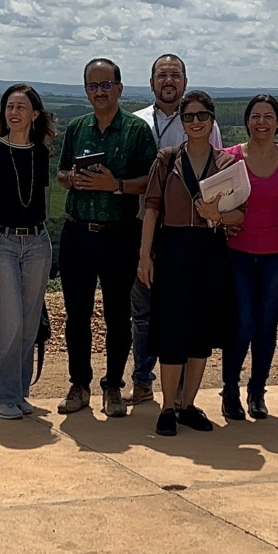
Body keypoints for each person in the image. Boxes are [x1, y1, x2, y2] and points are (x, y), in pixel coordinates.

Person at [56, 58, 158, 418]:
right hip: (77, 232)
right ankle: (79, 385)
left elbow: (150, 181)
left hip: (119, 234)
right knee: (77, 315)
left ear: (119, 88)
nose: (99, 91)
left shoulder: (136, 130)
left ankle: (113, 385)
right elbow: (61, 174)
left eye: (105, 85)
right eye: (92, 86)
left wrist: (114, 185)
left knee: (117, 315)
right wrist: (72, 179)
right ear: (86, 90)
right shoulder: (77, 128)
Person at [138, 91, 244, 436]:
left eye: (202, 116)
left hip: (211, 249)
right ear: (181, 122)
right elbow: (151, 209)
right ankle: (167, 407)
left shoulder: (228, 163)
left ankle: (188, 405)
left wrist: (218, 214)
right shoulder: (167, 159)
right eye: (189, 116)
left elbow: (241, 213)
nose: (196, 122)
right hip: (172, 248)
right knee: (171, 329)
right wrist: (144, 256)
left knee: (201, 332)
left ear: (212, 120)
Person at [130, 54, 221, 406]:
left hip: (192, 232)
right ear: (151, 81)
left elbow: (215, 176)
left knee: (186, 311)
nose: (168, 80)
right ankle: (142, 379)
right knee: (143, 311)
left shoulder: (205, 123)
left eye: (175, 74)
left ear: (185, 80)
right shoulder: (137, 121)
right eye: (162, 74)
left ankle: (181, 390)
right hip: (144, 223)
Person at [0, 84, 53, 420]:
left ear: (34, 114)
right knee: (9, 322)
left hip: (37, 242)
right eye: (9, 106)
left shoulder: (41, 152)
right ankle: (3, 395)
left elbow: (41, 200)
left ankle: (20, 392)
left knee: (29, 322)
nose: (14, 112)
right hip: (2, 241)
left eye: (21, 107)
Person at [219, 94, 278, 421]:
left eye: (268, 116)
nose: (262, 122)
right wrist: (221, 224)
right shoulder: (229, 158)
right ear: (247, 121)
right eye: (256, 116)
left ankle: (257, 390)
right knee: (243, 323)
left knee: (266, 325)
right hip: (239, 254)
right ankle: (230, 390)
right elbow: (210, 202)